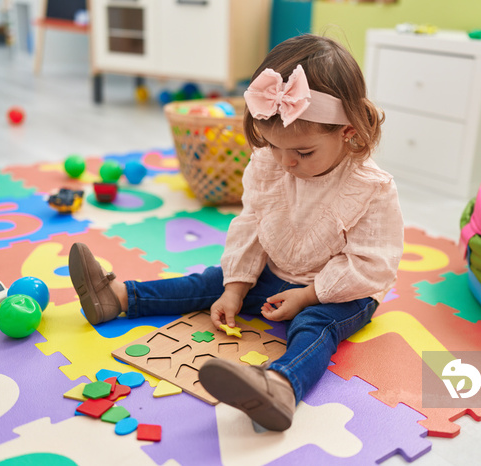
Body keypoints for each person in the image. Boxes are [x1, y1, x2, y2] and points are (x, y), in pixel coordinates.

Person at [68, 34, 404, 432]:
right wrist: (236, 286)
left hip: (341, 291)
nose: (286, 162)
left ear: (348, 130)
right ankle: (118, 297)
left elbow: (372, 265)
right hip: (278, 271)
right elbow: (252, 223)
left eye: (303, 152)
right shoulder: (270, 163)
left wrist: (308, 295)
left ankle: (280, 386)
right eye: (276, 147)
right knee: (211, 281)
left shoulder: (371, 188)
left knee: (315, 325)